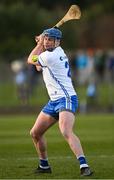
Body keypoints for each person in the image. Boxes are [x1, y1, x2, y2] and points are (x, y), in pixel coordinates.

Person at [27, 27, 93, 176]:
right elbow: (38, 67)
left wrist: (38, 45)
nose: (47, 41)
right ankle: (44, 165)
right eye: (46, 38)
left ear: (58, 42)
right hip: (54, 100)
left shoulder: (53, 56)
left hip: (66, 98)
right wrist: (41, 45)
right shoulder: (53, 53)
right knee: (35, 133)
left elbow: (30, 60)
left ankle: (84, 165)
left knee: (65, 130)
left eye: (51, 39)